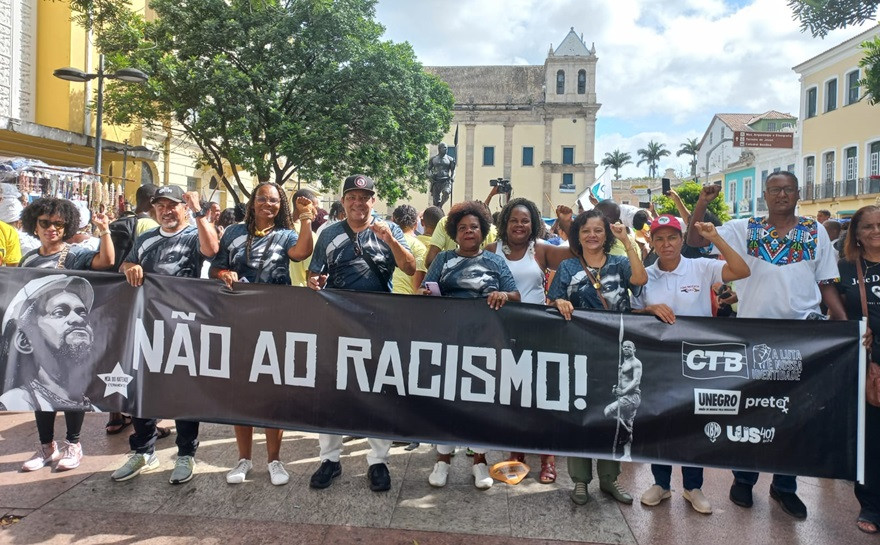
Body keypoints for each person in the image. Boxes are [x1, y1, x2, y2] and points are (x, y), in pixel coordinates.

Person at [687, 172, 845, 520]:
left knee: (794, 412)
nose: (782, 194)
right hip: (754, 332)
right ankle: (744, 478)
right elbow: (695, 243)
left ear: (798, 193)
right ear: (765, 195)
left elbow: (827, 282)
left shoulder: (815, 230)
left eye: (788, 188)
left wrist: (842, 322)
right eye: (775, 189)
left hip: (803, 335)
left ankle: (785, 486)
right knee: (753, 409)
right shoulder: (744, 228)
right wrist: (703, 203)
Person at [632, 214, 750, 514]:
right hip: (659, 361)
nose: (666, 243)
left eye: (672, 237)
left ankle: (693, 487)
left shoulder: (701, 267)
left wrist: (715, 239)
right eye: (659, 238)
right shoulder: (645, 276)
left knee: (694, 424)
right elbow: (631, 314)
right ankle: (661, 483)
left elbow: (741, 270)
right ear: (653, 243)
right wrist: (649, 308)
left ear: (681, 239)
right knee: (660, 421)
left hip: (698, 361)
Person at [307, 174, 415, 493]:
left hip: (377, 321)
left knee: (377, 390)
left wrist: (391, 240)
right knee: (331, 390)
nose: (358, 202)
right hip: (336, 320)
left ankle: (378, 461)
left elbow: (409, 268)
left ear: (373, 200)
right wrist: (315, 281)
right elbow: (316, 272)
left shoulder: (389, 229)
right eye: (352, 196)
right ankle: (330, 459)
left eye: (364, 196)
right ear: (343, 201)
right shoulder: (328, 234)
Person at [111, 185, 219, 485]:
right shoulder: (145, 239)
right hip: (149, 326)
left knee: (184, 390)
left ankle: (185, 453)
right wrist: (130, 268)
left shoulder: (194, 233)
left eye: (173, 205)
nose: (166, 211)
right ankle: (143, 450)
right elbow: (127, 263)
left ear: (183, 207)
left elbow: (211, 249)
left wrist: (199, 213)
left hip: (186, 327)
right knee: (144, 387)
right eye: (160, 206)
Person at [211, 182, 314, 486]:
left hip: (275, 320)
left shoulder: (285, 235)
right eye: (262, 199)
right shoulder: (232, 233)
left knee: (271, 391)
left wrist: (306, 218)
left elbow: (301, 253)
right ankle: (243, 459)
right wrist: (223, 273)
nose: (267, 204)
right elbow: (214, 267)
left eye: (273, 201)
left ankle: (274, 460)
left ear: (280, 206)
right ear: (252, 203)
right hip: (238, 320)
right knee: (242, 392)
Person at [1, 196, 114, 472]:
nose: (52, 228)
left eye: (59, 224)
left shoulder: (75, 254)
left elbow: (106, 261)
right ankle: (46, 446)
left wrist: (105, 231)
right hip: (40, 345)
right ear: (34, 225)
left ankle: (73, 444)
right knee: (43, 393)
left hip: (71, 348)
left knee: (73, 390)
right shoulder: (29, 258)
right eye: (45, 223)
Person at [548, 209, 647, 506]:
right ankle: (580, 481)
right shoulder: (567, 267)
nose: (592, 235)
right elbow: (553, 298)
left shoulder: (619, 262)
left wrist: (626, 241)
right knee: (580, 413)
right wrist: (560, 301)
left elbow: (640, 279)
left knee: (613, 416)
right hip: (579, 349)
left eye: (598, 230)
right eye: (586, 230)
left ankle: (609, 479)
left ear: (606, 234)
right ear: (577, 235)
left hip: (617, 349)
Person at [422, 200, 520, 490]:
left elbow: (515, 294)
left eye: (473, 227)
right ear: (454, 232)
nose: (468, 231)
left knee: (480, 400)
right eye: (462, 227)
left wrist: (503, 294)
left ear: (482, 231)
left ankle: (479, 462)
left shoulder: (495, 261)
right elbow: (428, 288)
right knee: (446, 399)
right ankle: (442, 460)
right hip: (448, 340)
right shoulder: (442, 261)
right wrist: (428, 296)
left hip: (485, 342)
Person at [486, 197, 572, 483]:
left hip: (539, 331)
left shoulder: (542, 250)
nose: (519, 225)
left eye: (525, 220)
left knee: (542, 396)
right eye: (514, 220)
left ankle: (547, 459)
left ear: (533, 223)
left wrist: (568, 224)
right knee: (512, 395)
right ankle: (517, 454)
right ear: (504, 224)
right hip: (502, 331)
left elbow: (581, 254)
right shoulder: (491, 250)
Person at [835, 205, 880, 534]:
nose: (876, 231)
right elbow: (831, 305)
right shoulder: (847, 268)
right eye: (868, 227)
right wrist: (849, 327)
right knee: (871, 438)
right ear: (856, 235)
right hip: (869, 364)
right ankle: (871, 505)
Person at [391, 204, 428, 294]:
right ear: (415, 224)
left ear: (392, 221)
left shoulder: (384, 242)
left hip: (380, 298)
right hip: (405, 300)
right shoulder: (419, 247)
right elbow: (417, 287)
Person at [427, 142, 456, 209]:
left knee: (446, 192)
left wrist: (453, 177)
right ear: (439, 149)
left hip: (446, 180)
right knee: (435, 201)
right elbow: (428, 169)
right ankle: (437, 208)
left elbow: (453, 170)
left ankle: (440, 206)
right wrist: (430, 175)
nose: (446, 149)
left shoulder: (450, 159)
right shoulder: (433, 159)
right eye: (444, 147)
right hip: (436, 181)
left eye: (447, 148)